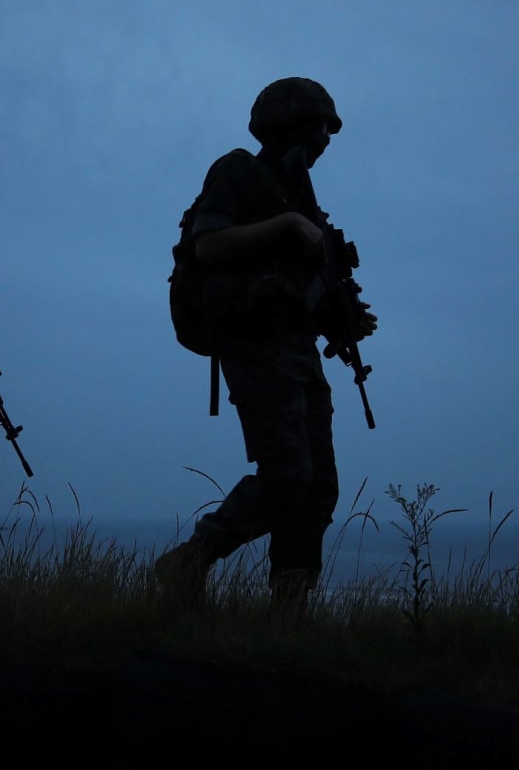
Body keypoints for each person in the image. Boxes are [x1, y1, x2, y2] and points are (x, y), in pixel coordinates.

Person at [156, 77, 378, 614]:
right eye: (322, 128)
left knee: (318, 488)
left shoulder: (301, 200)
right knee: (287, 478)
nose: (326, 141)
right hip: (253, 344)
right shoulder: (239, 172)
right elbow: (208, 246)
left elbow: (305, 286)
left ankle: (289, 611)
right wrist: (286, 225)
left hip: (298, 352)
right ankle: (189, 559)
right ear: (292, 124)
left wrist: (345, 317)